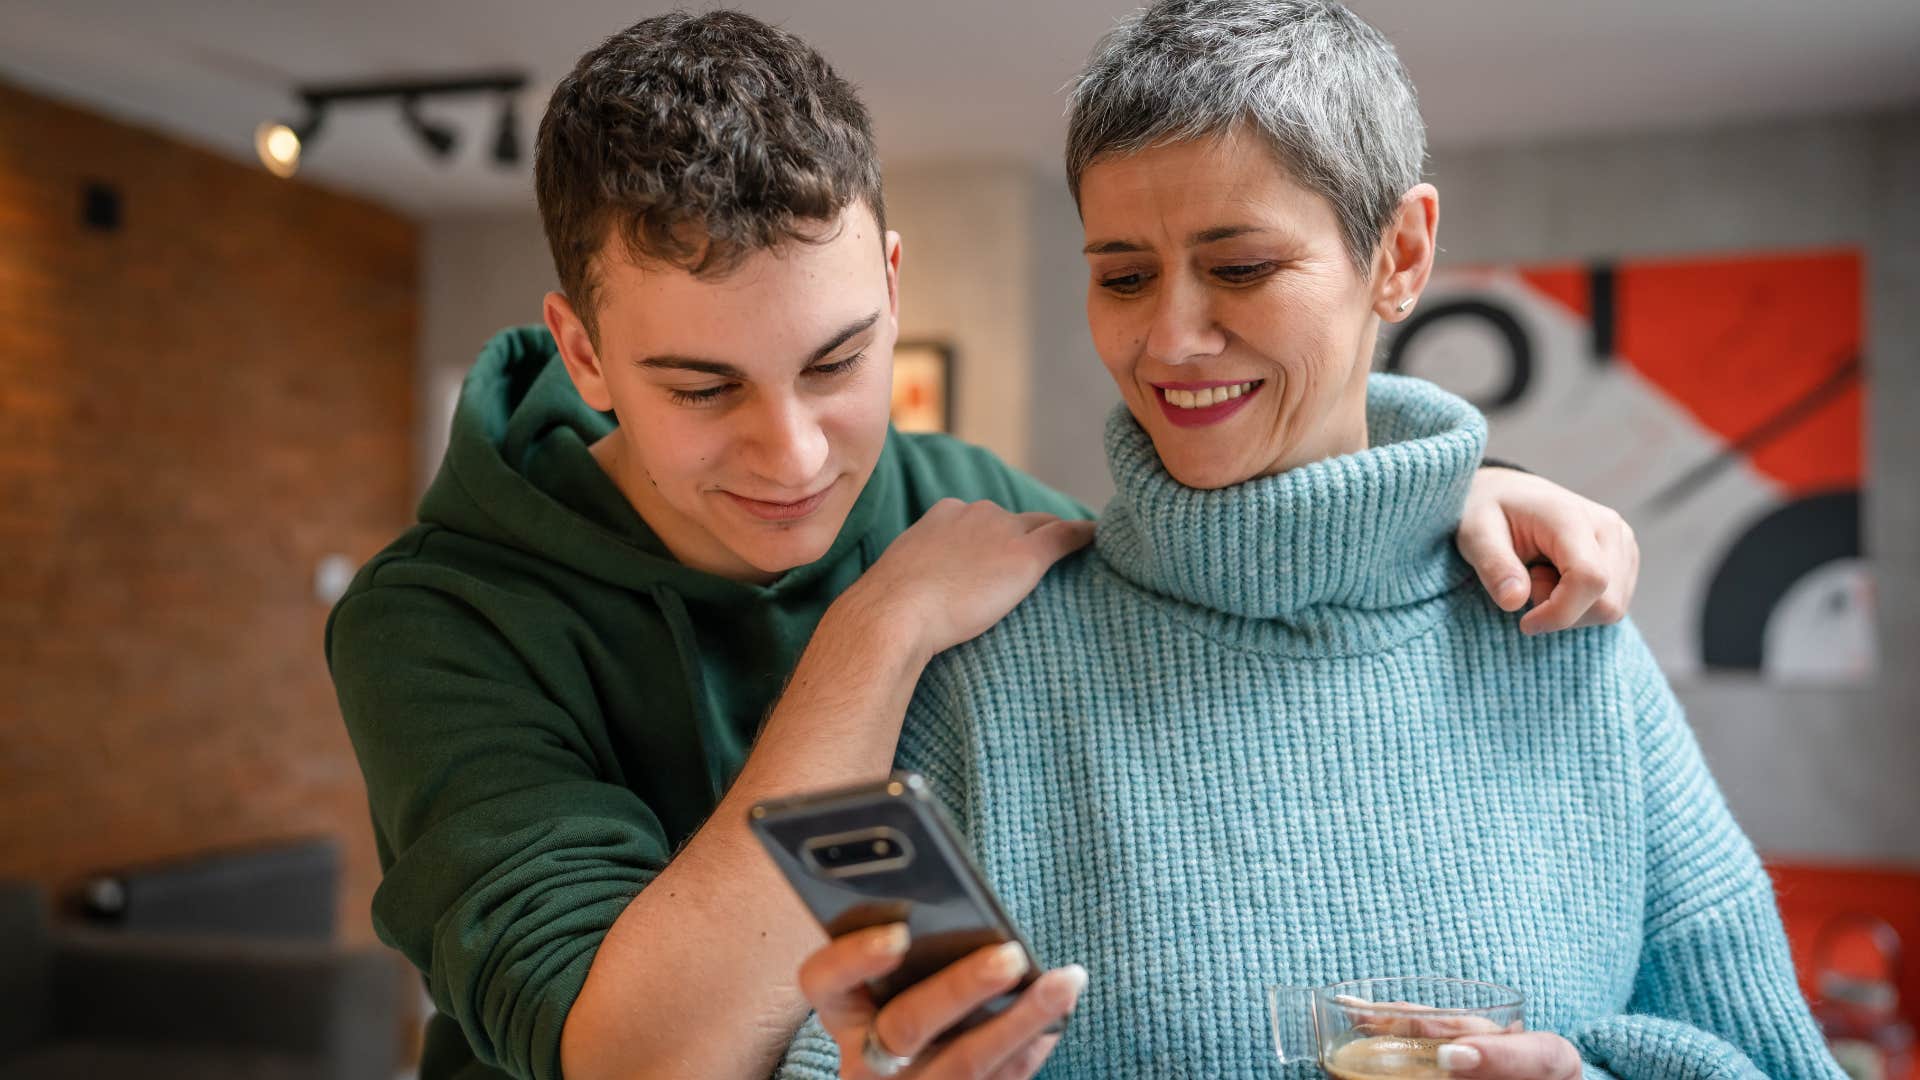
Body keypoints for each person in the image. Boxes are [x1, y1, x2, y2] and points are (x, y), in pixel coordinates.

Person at [325, 12, 1644, 1080]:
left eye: (838, 362)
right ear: (584, 352)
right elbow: (640, 1061)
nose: (796, 458)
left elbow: (1214, 554)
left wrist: (1455, 496)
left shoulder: (962, 498)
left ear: (893, 285)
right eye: (703, 388)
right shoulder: (437, 621)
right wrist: (878, 633)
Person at [787, 2, 1843, 1078]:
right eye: (1123, 275)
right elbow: (844, 1056)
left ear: (1401, 252)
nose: (1170, 338)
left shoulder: (1572, 647)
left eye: (1238, 267)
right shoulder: (988, 681)